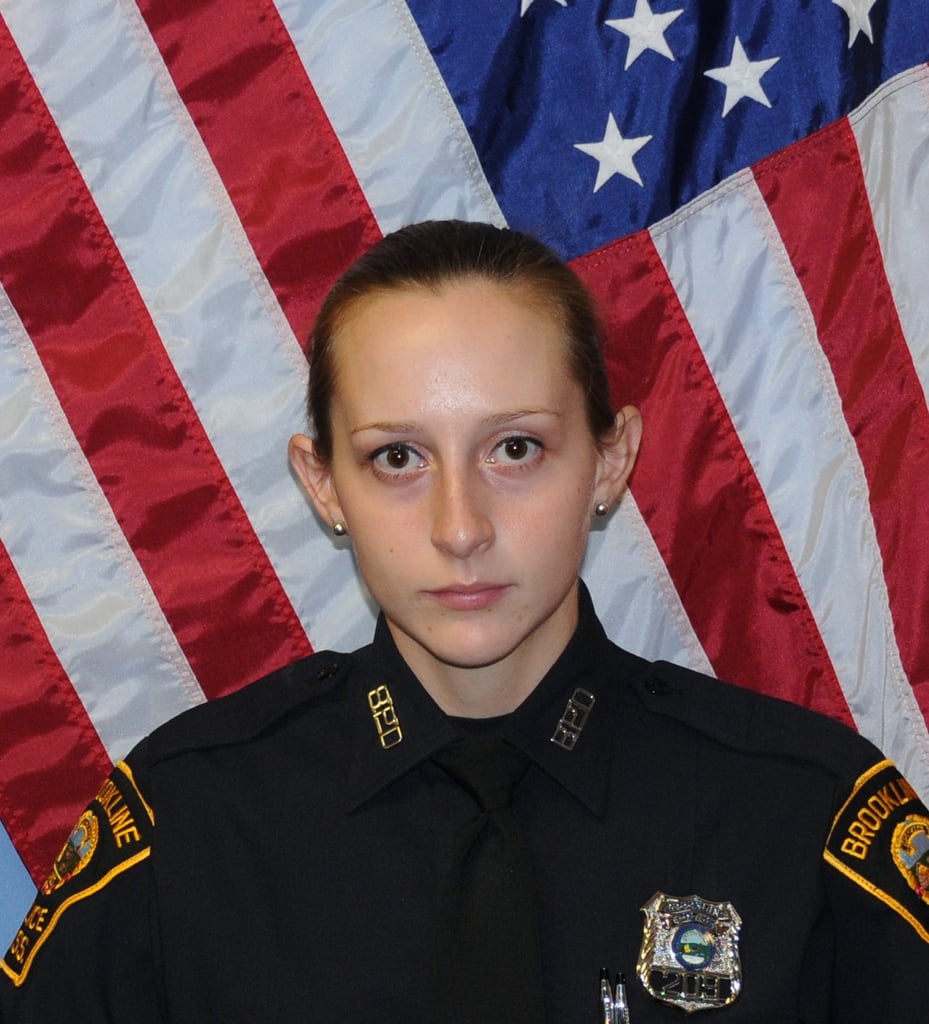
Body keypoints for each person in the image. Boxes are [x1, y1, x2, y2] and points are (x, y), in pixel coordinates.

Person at [2, 220, 927, 1022]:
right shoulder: (185, 824)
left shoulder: (807, 820)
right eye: (396, 458)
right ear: (323, 485)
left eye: (514, 448)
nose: (459, 528)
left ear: (609, 462)